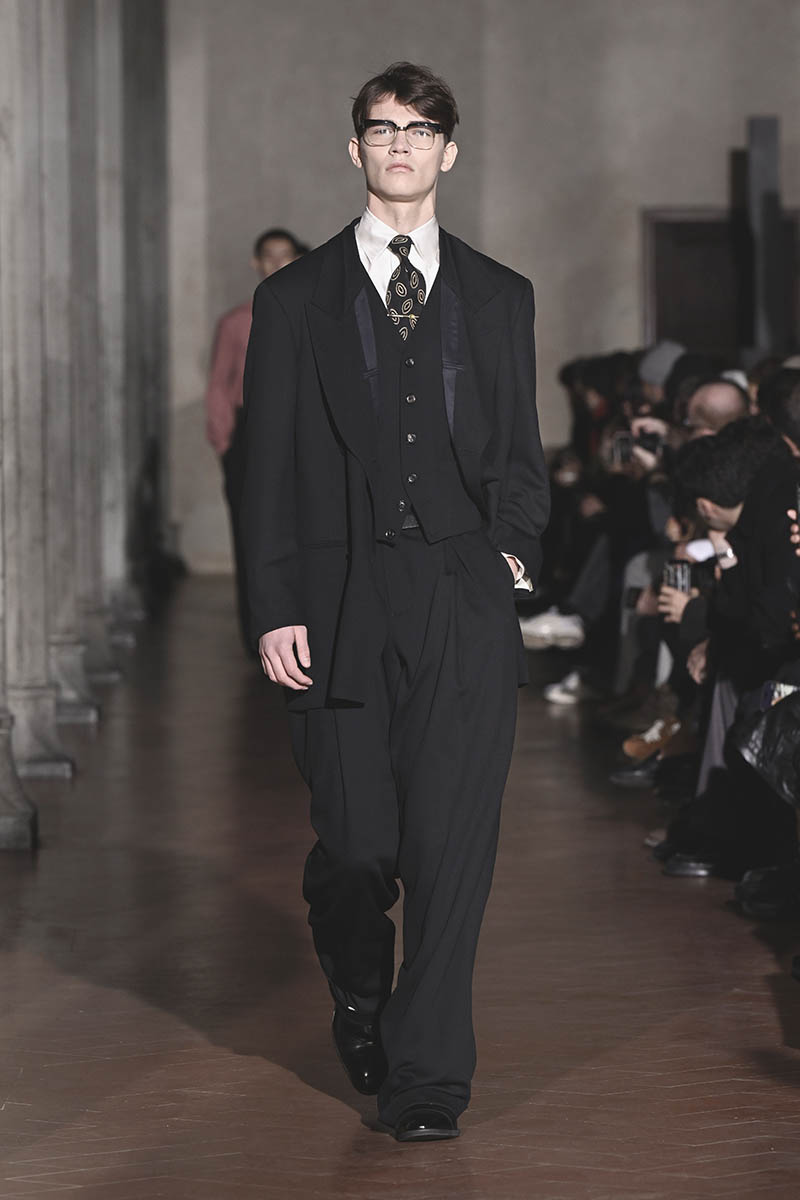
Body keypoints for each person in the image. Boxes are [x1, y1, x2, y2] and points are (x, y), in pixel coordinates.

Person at [240, 62, 548, 1143]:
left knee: (452, 854)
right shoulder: (294, 300)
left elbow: (520, 451)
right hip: (337, 601)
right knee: (360, 847)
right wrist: (274, 603)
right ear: (356, 149)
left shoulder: (500, 295)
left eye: (421, 129)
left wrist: (509, 559)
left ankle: (427, 1079)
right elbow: (265, 468)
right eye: (383, 129)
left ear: (448, 151)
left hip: (460, 593)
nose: (402, 144)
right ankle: (360, 991)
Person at [205, 228, 308, 648]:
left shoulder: (311, 314)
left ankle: (303, 625)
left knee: (303, 528)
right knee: (252, 529)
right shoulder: (236, 322)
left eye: (286, 255)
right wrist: (226, 443)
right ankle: (258, 629)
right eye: (269, 255)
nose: (277, 263)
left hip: (302, 431)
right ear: (256, 262)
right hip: (250, 432)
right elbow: (219, 384)